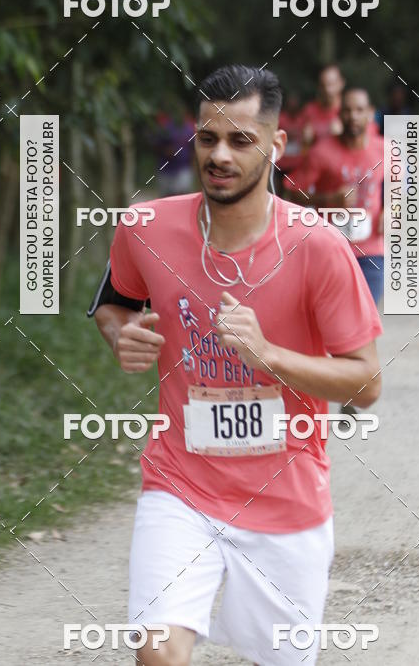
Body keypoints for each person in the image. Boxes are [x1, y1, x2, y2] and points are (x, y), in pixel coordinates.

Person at [88, 65, 382, 666]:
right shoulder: (146, 227)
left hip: (287, 499)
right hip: (180, 483)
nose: (219, 155)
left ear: (276, 145)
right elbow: (114, 304)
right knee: (157, 651)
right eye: (207, 138)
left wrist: (269, 356)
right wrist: (121, 336)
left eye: (241, 140)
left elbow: (367, 382)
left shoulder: (318, 246)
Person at [289, 87, 385, 305]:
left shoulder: (385, 150)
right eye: (347, 111)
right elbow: (292, 191)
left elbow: (400, 187)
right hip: (331, 250)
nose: (353, 117)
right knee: (335, 324)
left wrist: (393, 211)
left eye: (359, 110)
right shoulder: (321, 152)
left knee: (365, 320)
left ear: (370, 113)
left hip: (372, 252)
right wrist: (327, 199)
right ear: (339, 115)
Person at [297, 63, 344, 152]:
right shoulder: (309, 110)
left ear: (341, 83)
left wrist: (341, 137)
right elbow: (300, 149)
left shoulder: (348, 111)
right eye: (323, 85)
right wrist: (305, 141)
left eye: (331, 84)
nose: (327, 89)